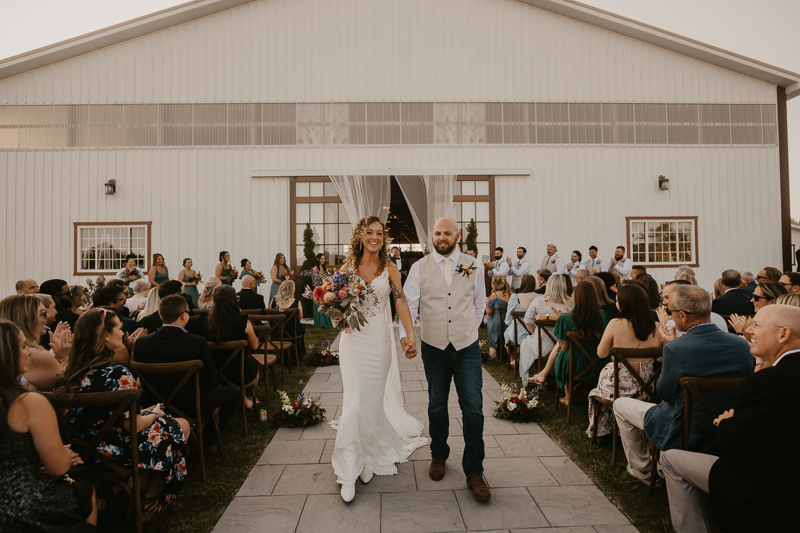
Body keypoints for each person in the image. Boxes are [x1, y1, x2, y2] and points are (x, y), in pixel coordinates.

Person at [659, 304, 800, 533]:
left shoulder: (767, 382)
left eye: (756, 325)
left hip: (768, 487)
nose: (749, 331)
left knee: (669, 459)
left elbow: (736, 446)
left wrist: (726, 422)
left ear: (783, 334)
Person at [330, 216, 428, 503]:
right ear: (360, 236)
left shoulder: (391, 269)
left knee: (370, 405)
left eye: (380, 233)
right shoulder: (346, 270)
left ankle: (368, 456)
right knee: (355, 403)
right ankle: (348, 470)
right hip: (353, 343)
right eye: (370, 232)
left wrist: (411, 335)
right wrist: (338, 316)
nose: (375, 237)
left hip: (379, 344)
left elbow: (400, 301)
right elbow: (337, 310)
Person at [614, 286, 752, 484]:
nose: (669, 317)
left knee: (620, 405)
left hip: (684, 425)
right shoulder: (741, 345)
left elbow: (664, 393)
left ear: (683, 316)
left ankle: (642, 468)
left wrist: (669, 346)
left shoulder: (676, 348)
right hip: (729, 423)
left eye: (669, 312)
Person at [58, 308, 188, 513]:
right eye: (119, 327)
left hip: (81, 451)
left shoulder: (68, 374)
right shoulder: (118, 373)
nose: (123, 332)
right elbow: (132, 425)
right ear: (105, 335)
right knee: (174, 425)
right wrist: (156, 413)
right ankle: (148, 498)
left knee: (166, 424)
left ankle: (136, 494)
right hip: (114, 452)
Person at [400, 216, 487, 501]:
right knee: (437, 404)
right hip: (433, 346)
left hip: (467, 347)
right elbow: (409, 305)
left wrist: (466, 333)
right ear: (432, 237)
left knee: (473, 407)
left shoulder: (473, 265)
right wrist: (407, 336)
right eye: (437, 233)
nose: (442, 238)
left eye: (447, 233)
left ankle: (474, 472)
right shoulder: (418, 268)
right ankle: (439, 455)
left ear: (457, 235)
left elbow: (479, 303)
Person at [0, 319, 98, 531]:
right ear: (7, 355)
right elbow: (58, 467)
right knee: (80, 480)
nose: (29, 352)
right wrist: (64, 455)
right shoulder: (28, 402)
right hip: (23, 504)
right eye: (23, 346)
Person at [134, 295, 239, 445]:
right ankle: (207, 440)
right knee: (233, 394)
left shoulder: (141, 343)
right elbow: (211, 381)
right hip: (190, 405)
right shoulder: (197, 342)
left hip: (154, 405)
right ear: (183, 315)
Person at [587, 284, 661, 439]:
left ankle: (603, 430)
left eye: (618, 300)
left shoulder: (615, 323)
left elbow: (601, 353)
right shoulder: (657, 327)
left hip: (618, 389)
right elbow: (661, 358)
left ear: (625, 303)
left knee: (597, 389)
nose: (615, 303)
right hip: (648, 388)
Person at [529, 282, 610, 404]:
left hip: (574, 364)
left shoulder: (565, 319)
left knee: (561, 351)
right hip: (599, 362)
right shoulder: (603, 316)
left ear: (575, 298)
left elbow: (563, 347)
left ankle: (567, 397)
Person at [201, 286, 260, 409]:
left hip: (213, 371)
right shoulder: (242, 321)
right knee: (254, 363)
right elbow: (255, 345)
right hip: (239, 372)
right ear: (234, 300)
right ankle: (248, 397)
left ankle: (243, 398)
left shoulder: (206, 322)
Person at [0, 294, 71, 392]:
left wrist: (56, 355)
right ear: (26, 319)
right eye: (42, 313)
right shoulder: (34, 356)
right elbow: (70, 388)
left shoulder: (7, 352)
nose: (48, 316)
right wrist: (65, 357)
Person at [520, 274, 573, 384]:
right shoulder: (572, 303)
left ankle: (535, 371)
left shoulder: (538, 301)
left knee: (526, 342)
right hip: (566, 343)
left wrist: (535, 334)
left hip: (541, 344)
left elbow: (528, 321)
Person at [657, 280, 728, 337]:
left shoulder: (674, 324)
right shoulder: (718, 318)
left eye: (668, 297)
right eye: (663, 298)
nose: (664, 302)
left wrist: (663, 325)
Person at [727, 281, 787, 346]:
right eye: (752, 296)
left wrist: (740, 332)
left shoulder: (766, 325)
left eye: (756, 297)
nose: (751, 300)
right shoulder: (786, 321)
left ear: (772, 302)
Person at [502, 274, 539, 368]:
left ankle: (513, 360)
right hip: (535, 331)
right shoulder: (540, 297)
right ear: (534, 284)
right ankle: (519, 360)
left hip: (517, 332)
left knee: (508, 332)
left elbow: (509, 316)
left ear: (522, 283)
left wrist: (509, 322)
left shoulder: (515, 297)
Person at [270, 280, 306, 363]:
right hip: (293, 332)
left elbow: (270, 314)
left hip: (276, 331)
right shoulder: (296, 302)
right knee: (302, 328)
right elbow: (300, 317)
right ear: (292, 290)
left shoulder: (274, 300)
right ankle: (297, 354)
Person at [485, 276, 512, 359]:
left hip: (498, 325)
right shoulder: (512, 294)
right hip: (510, 323)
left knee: (489, 316)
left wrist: (487, 302)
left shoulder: (494, 295)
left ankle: (493, 348)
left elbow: (488, 312)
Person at [312, 254, 334, 329]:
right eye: (321, 258)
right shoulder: (315, 268)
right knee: (319, 304)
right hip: (318, 289)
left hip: (325, 288)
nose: (323, 260)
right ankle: (319, 324)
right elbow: (315, 278)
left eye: (324, 258)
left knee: (325, 305)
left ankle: (326, 323)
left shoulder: (326, 268)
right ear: (318, 259)